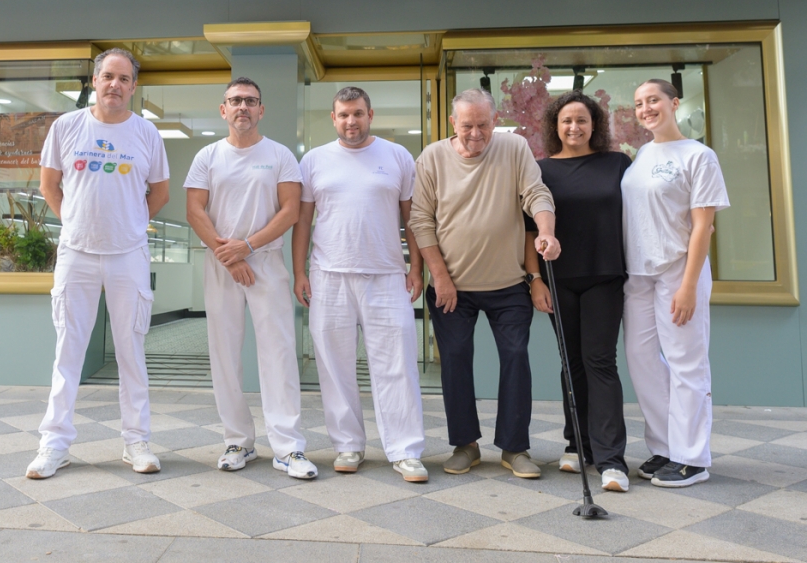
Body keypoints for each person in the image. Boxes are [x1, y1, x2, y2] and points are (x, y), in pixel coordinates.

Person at [27, 48, 170, 479]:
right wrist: (74, 222)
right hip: (78, 254)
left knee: (131, 350)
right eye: (108, 76)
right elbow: (49, 185)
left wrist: (128, 225)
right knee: (68, 349)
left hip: (128, 255)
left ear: (133, 86)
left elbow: (160, 193)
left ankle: (136, 442)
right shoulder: (67, 127)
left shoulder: (146, 133)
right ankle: (53, 444)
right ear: (95, 80)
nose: (115, 85)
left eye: (124, 79)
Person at [410, 88, 559, 480]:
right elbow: (421, 221)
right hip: (451, 285)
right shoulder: (432, 158)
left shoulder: (513, 148)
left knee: (515, 357)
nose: (475, 134)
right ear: (452, 124)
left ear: (495, 120)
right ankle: (465, 445)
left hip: (509, 284)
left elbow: (536, 193)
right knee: (455, 361)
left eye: (483, 125)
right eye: (467, 126)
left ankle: (515, 447)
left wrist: (547, 232)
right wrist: (440, 278)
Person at [293, 87, 428, 483]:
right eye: (343, 115)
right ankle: (348, 444)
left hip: (387, 276)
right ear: (333, 119)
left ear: (370, 114)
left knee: (398, 365)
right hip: (328, 276)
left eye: (357, 113)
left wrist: (415, 267)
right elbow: (303, 220)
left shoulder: (397, 156)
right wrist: (300, 271)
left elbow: (412, 219)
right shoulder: (314, 160)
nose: (351, 121)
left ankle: (405, 450)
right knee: (335, 367)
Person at [184, 76, 317, 480]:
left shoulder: (279, 155)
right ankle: (238, 441)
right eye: (235, 100)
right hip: (222, 263)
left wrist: (248, 247)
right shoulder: (207, 156)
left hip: (266, 263)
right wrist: (230, 255)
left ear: (261, 110)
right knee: (223, 352)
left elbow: (290, 210)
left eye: (250, 101)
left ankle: (288, 448)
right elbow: (195, 211)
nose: (243, 106)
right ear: (223, 110)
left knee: (277, 351)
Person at [622, 78, 729, 488]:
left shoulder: (699, 156)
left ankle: (692, 457)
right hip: (639, 273)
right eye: (639, 103)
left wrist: (687, 285)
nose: (646, 108)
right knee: (642, 359)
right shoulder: (642, 154)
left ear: (674, 103)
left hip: (678, 270)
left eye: (654, 100)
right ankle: (665, 446)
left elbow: (703, 226)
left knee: (687, 364)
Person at [524, 92, 631, 493]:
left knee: (600, 361)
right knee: (571, 363)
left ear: (594, 125)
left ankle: (610, 460)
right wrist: (534, 280)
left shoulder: (618, 164)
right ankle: (577, 443)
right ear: (555, 125)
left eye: (582, 120)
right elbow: (530, 231)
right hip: (558, 280)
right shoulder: (540, 170)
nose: (574, 127)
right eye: (566, 121)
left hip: (605, 277)